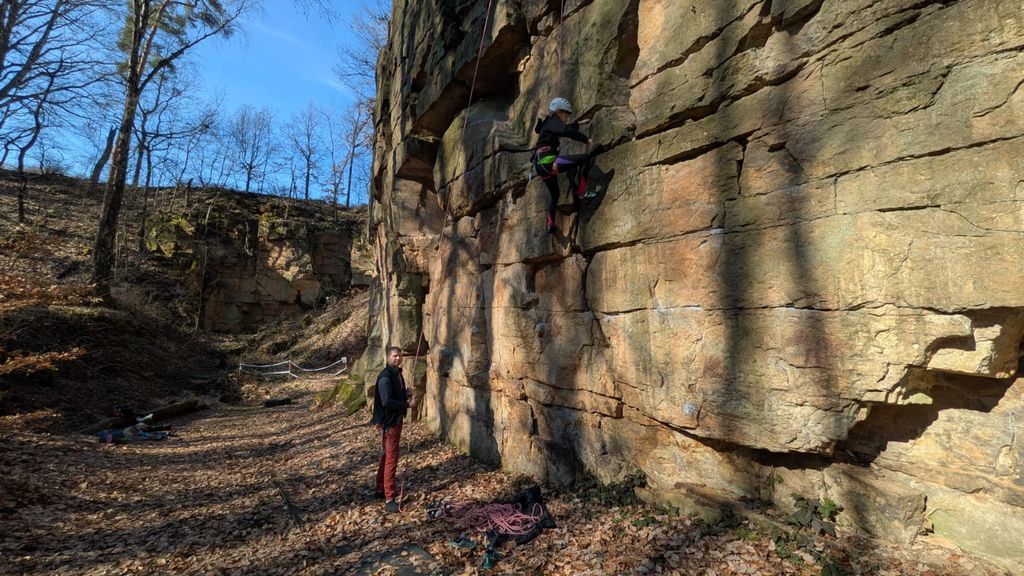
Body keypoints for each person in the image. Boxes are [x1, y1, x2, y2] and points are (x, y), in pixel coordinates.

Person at [531, 97, 598, 233]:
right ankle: (582, 192)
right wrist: (585, 139)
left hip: (541, 167)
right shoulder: (553, 122)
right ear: (559, 112)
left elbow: (565, 128)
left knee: (555, 195)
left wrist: (578, 124)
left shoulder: (549, 124)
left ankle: (550, 224)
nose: (566, 118)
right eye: (566, 115)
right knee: (584, 159)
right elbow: (565, 131)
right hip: (548, 163)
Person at [371, 346, 417, 512]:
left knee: (386, 456)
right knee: (391, 458)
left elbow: (395, 395)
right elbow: (386, 402)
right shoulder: (385, 377)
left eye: (400, 356)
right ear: (388, 357)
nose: (398, 358)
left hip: (393, 421)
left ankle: (379, 488)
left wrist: (405, 393)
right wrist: (407, 405)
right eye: (395, 356)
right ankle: (389, 497)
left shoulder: (397, 374)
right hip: (389, 423)